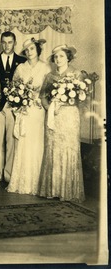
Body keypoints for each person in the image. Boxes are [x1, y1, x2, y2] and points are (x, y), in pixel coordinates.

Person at [38, 45, 85, 202]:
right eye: (56, 57)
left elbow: (83, 97)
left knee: (68, 149)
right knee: (53, 149)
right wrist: (49, 107)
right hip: (53, 116)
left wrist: (67, 101)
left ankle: (68, 191)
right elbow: (43, 96)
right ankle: (53, 189)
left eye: (61, 56)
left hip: (69, 116)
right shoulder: (49, 76)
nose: (58, 59)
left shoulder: (76, 74)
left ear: (68, 58)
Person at [7, 38, 51, 195]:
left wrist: (39, 98)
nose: (29, 52)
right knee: (23, 143)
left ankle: (37, 183)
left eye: (32, 48)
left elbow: (48, 91)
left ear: (37, 49)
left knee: (37, 143)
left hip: (38, 110)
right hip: (25, 110)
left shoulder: (45, 68)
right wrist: (19, 100)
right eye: (26, 50)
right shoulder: (20, 68)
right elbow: (13, 88)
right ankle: (22, 181)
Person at [0, 31, 27, 183]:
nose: (6, 45)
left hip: (13, 107)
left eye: (10, 42)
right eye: (4, 42)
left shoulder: (22, 61)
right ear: (1, 43)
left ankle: (9, 175)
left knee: (11, 141)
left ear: (15, 43)